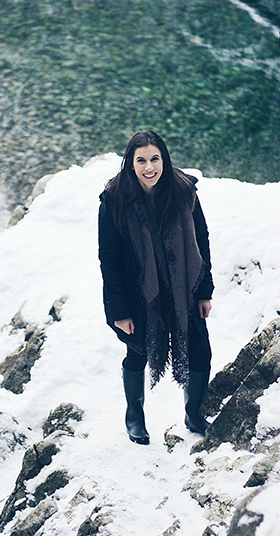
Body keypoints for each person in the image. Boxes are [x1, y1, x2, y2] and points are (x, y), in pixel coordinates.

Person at [98, 130, 214, 445]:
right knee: (137, 354)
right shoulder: (114, 199)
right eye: (141, 161)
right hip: (140, 294)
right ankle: (134, 417)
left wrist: (204, 290)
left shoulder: (183, 190)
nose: (149, 167)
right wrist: (119, 311)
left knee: (200, 352)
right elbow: (108, 259)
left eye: (154, 159)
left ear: (163, 158)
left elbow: (200, 240)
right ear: (130, 163)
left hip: (183, 290)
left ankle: (194, 413)